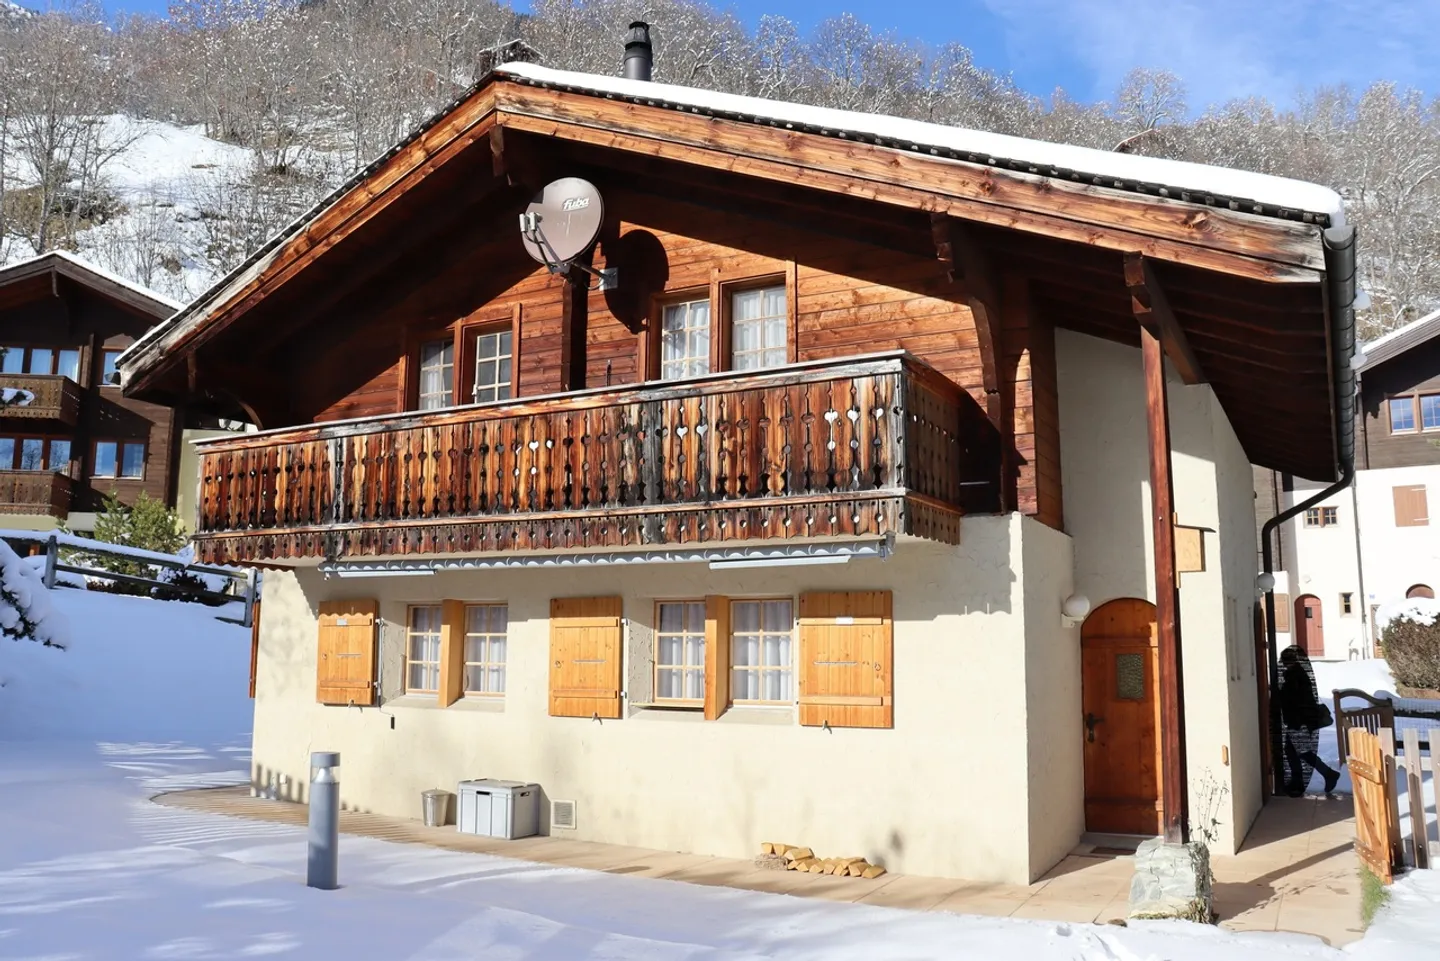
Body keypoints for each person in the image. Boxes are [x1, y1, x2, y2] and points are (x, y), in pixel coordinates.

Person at [1279, 646, 1340, 797]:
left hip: (1299, 722)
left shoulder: (1294, 677)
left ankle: (1327, 774)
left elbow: (1292, 700)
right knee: (1294, 751)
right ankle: (1299, 782)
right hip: (1301, 720)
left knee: (1301, 752)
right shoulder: (1298, 675)